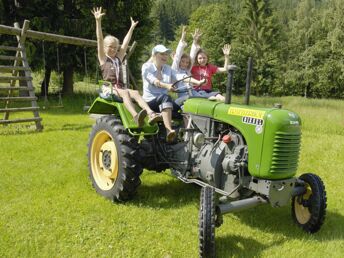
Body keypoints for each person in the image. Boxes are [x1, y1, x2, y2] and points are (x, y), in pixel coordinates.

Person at [92, 7, 161, 127]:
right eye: (110, 46)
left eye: (115, 47)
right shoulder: (103, 58)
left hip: (119, 88)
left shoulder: (118, 58)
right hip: (108, 89)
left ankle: (151, 113)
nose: (113, 49)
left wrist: (132, 28)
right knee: (125, 93)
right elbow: (99, 39)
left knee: (134, 92)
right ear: (104, 47)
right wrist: (98, 21)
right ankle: (135, 116)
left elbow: (125, 44)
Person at [172, 27, 226, 105]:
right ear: (179, 61)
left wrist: (195, 41)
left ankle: (209, 102)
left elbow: (192, 56)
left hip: (193, 92)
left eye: (187, 62)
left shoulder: (187, 69)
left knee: (205, 99)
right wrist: (183, 37)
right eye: (183, 62)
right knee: (185, 103)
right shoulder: (175, 69)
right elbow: (178, 56)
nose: (185, 64)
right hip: (183, 94)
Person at [142, 44, 182, 142]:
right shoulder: (146, 67)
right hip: (151, 101)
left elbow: (180, 76)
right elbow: (155, 81)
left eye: (166, 54)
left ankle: (184, 135)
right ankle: (169, 130)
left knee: (183, 101)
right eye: (162, 54)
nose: (165, 56)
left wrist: (197, 82)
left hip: (163, 102)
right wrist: (167, 86)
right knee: (166, 97)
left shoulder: (167, 68)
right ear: (154, 55)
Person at [191, 32, 231, 102]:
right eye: (200, 58)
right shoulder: (193, 67)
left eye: (204, 58)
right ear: (197, 59)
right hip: (197, 91)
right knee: (212, 98)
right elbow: (191, 54)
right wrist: (195, 41)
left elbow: (224, 69)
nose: (202, 60)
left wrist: (226, 57)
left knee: (223, 98)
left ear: (207, 58)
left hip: (208, 91)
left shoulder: (210, 67)